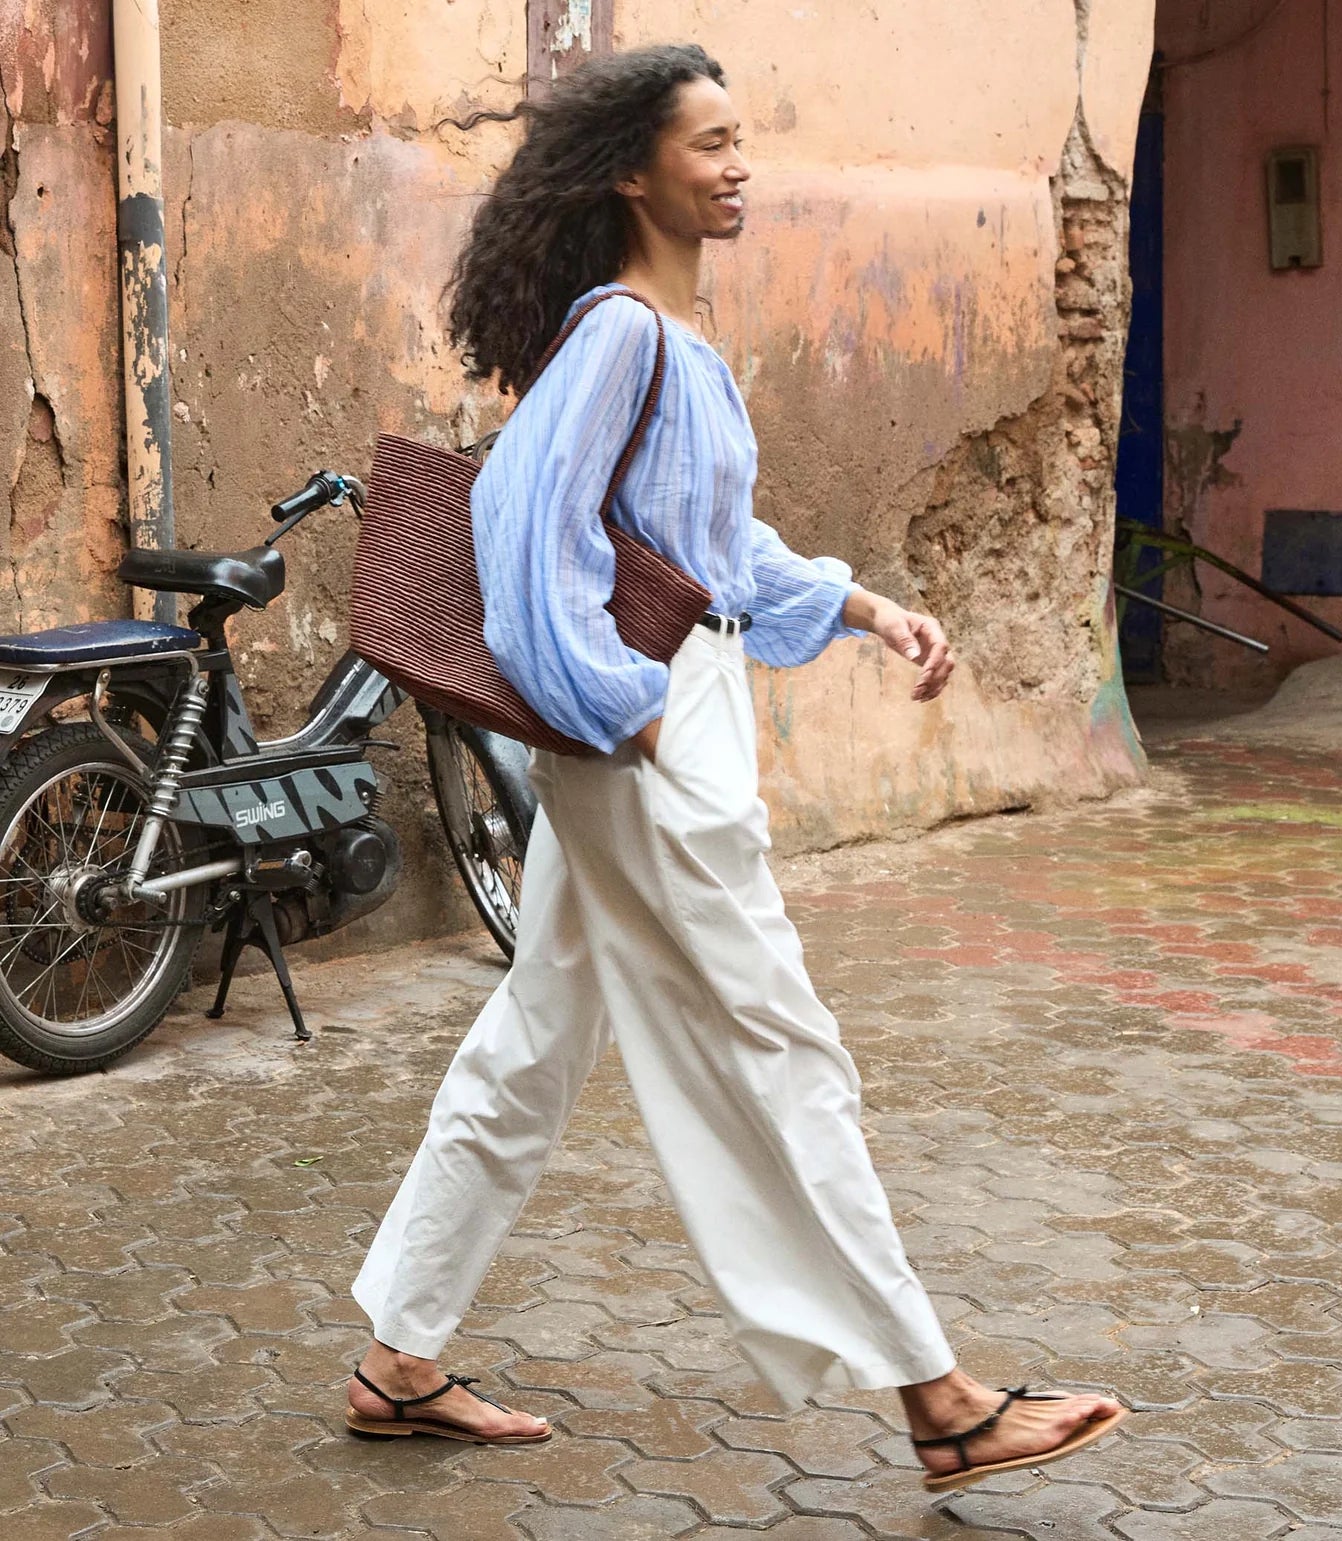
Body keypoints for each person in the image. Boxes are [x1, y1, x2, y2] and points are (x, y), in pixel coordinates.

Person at [346, 43, 1126, 1492]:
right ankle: (938, 1397)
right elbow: (526, 543)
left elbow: (710, 550)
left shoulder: (670, 342)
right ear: (634, 172)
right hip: (647, 730)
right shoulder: (622, 339)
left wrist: (857, 603)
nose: (738, 163)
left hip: (657, 714)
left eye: (740, 137)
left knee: (536, 1040)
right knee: (783, 1048)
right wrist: (626, 711)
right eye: (707, 143)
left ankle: (398, 1352)